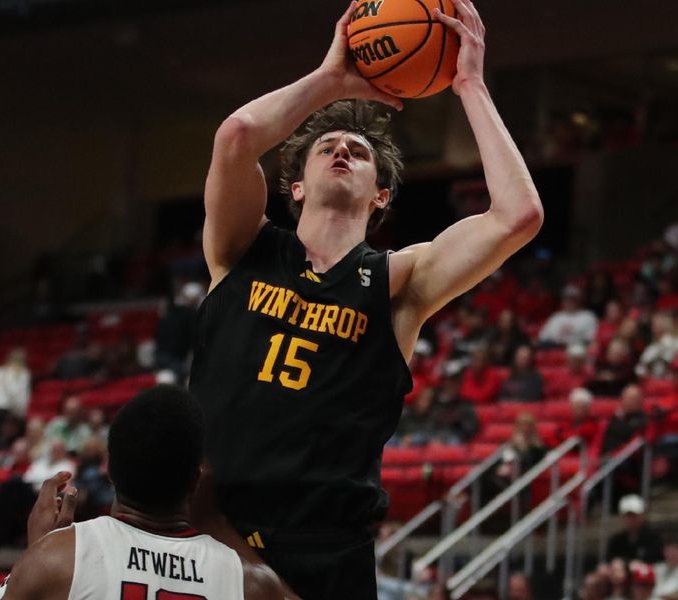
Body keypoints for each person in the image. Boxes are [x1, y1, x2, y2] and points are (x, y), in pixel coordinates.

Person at [190, 1, 543, 596]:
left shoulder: (400, 282)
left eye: (359, 152)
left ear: (381, 195)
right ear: (295, 186)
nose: (342, 151)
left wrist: (471, 86)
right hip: (211, 534)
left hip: (324, 551)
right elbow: (237, 137)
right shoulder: (244, 250)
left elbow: (518, 215)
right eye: (327, 145)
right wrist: (329, 80)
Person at [0, 385, 295, 600]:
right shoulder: (251, 584)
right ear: (195, 481)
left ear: (109, 469)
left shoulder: (56, 559)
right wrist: (217, 523)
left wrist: (38, 552)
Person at [607, 494, 663, 564]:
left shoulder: (653, 539)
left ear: (642, 516)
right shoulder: (617, 541)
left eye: (634, 516)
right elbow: (610, 560)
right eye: (628, 516)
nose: (631, 520)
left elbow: (657, 561)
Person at [652, 535, 678, 600]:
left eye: (677, 549)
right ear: (663, 551)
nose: (673, 553)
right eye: (669, 549)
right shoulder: (656, 568)